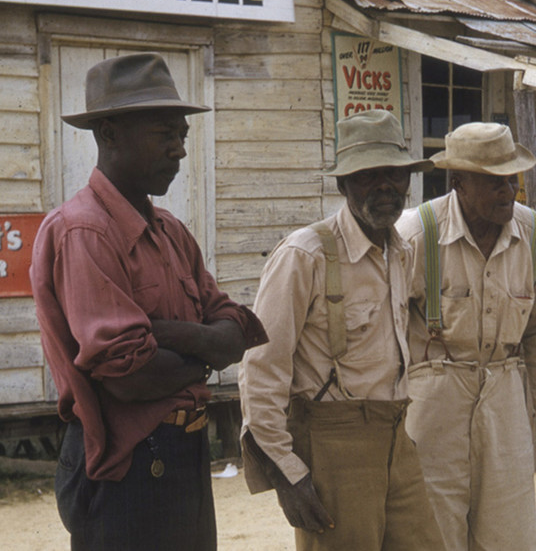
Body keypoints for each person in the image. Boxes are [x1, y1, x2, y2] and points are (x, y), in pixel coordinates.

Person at [30, 52, 268, 550]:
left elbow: (237, 332)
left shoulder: (171, 232)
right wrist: (205, 354)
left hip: (184, 454)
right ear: (110, 134)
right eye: (165, 134)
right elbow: (132, 377)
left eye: (182, 135)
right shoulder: (85, 231)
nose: (179, 150)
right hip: (128, 467)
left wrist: (172, 335)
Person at [238, 110, 445, 550]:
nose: (385, 187)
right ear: (343, 184)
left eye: (393, 174)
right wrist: (287, 473)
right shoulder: (305, 255)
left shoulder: (401, 252)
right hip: (333, 446)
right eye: (368, 176)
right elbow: (262, 370)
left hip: (396, 435)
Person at [395, 122, 536, 551]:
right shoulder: (415, 235)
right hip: (433, 401)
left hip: (505, 397)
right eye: (493, 183)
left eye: (511, 180)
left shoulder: (534, 236)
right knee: (433, 533)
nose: (507, 192)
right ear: (458, 182)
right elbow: (387, 336)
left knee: (509, 534)